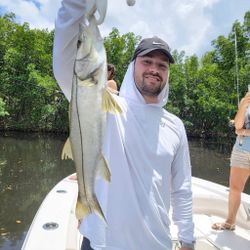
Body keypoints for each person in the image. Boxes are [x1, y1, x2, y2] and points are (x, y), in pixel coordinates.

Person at [53, 0, 195, 249]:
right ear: (133, 66)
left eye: (162, 65)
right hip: (101, 243)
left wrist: (187, 239)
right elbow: (65, 58)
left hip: (156, 243)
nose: (154, 69)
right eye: (147, 61)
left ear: (168, 73)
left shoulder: (176, 126)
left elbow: (182, 190)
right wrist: (79, 4)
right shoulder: (105, 107)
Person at [212, 91, 250, 231]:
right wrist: (244, 105)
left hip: (243, 141)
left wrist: (245, 132)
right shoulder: (246, 99)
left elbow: (241, 131)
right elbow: (238, 126)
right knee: (234, 189)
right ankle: (230, 221)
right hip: (241, 150)